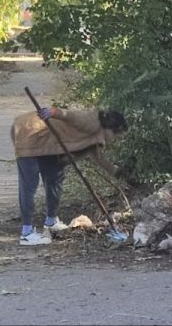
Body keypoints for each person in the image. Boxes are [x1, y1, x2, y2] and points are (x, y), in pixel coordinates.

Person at [10, 105, 130, 246]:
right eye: (116, 135)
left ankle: (51, 221)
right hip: (29, 132)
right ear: (111, 129)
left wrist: (117, 173)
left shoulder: (94, 137)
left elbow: (97, 157)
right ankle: (27, 233)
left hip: (47, 144)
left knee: (55, 178)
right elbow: (69, 115)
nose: (114, 139)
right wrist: (52, 112)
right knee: (29, 185)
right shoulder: (91, 122)